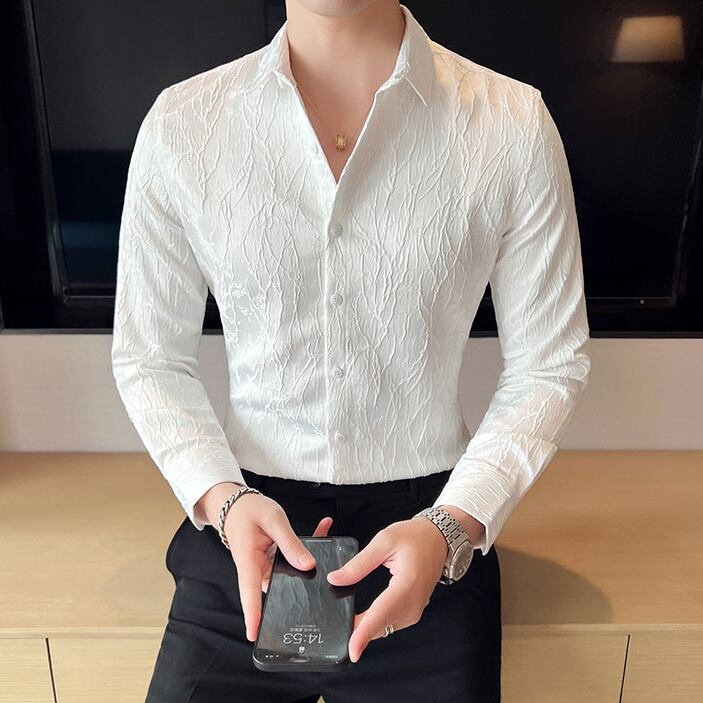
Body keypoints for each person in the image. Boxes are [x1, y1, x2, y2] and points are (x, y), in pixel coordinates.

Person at [111, 1, 591, 701]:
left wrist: (452, 527)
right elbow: (149, 358)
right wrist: (221, 498)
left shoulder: (511, 123)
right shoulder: (183, 124)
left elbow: (550, 363)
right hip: (243, 529)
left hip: (431, 534)